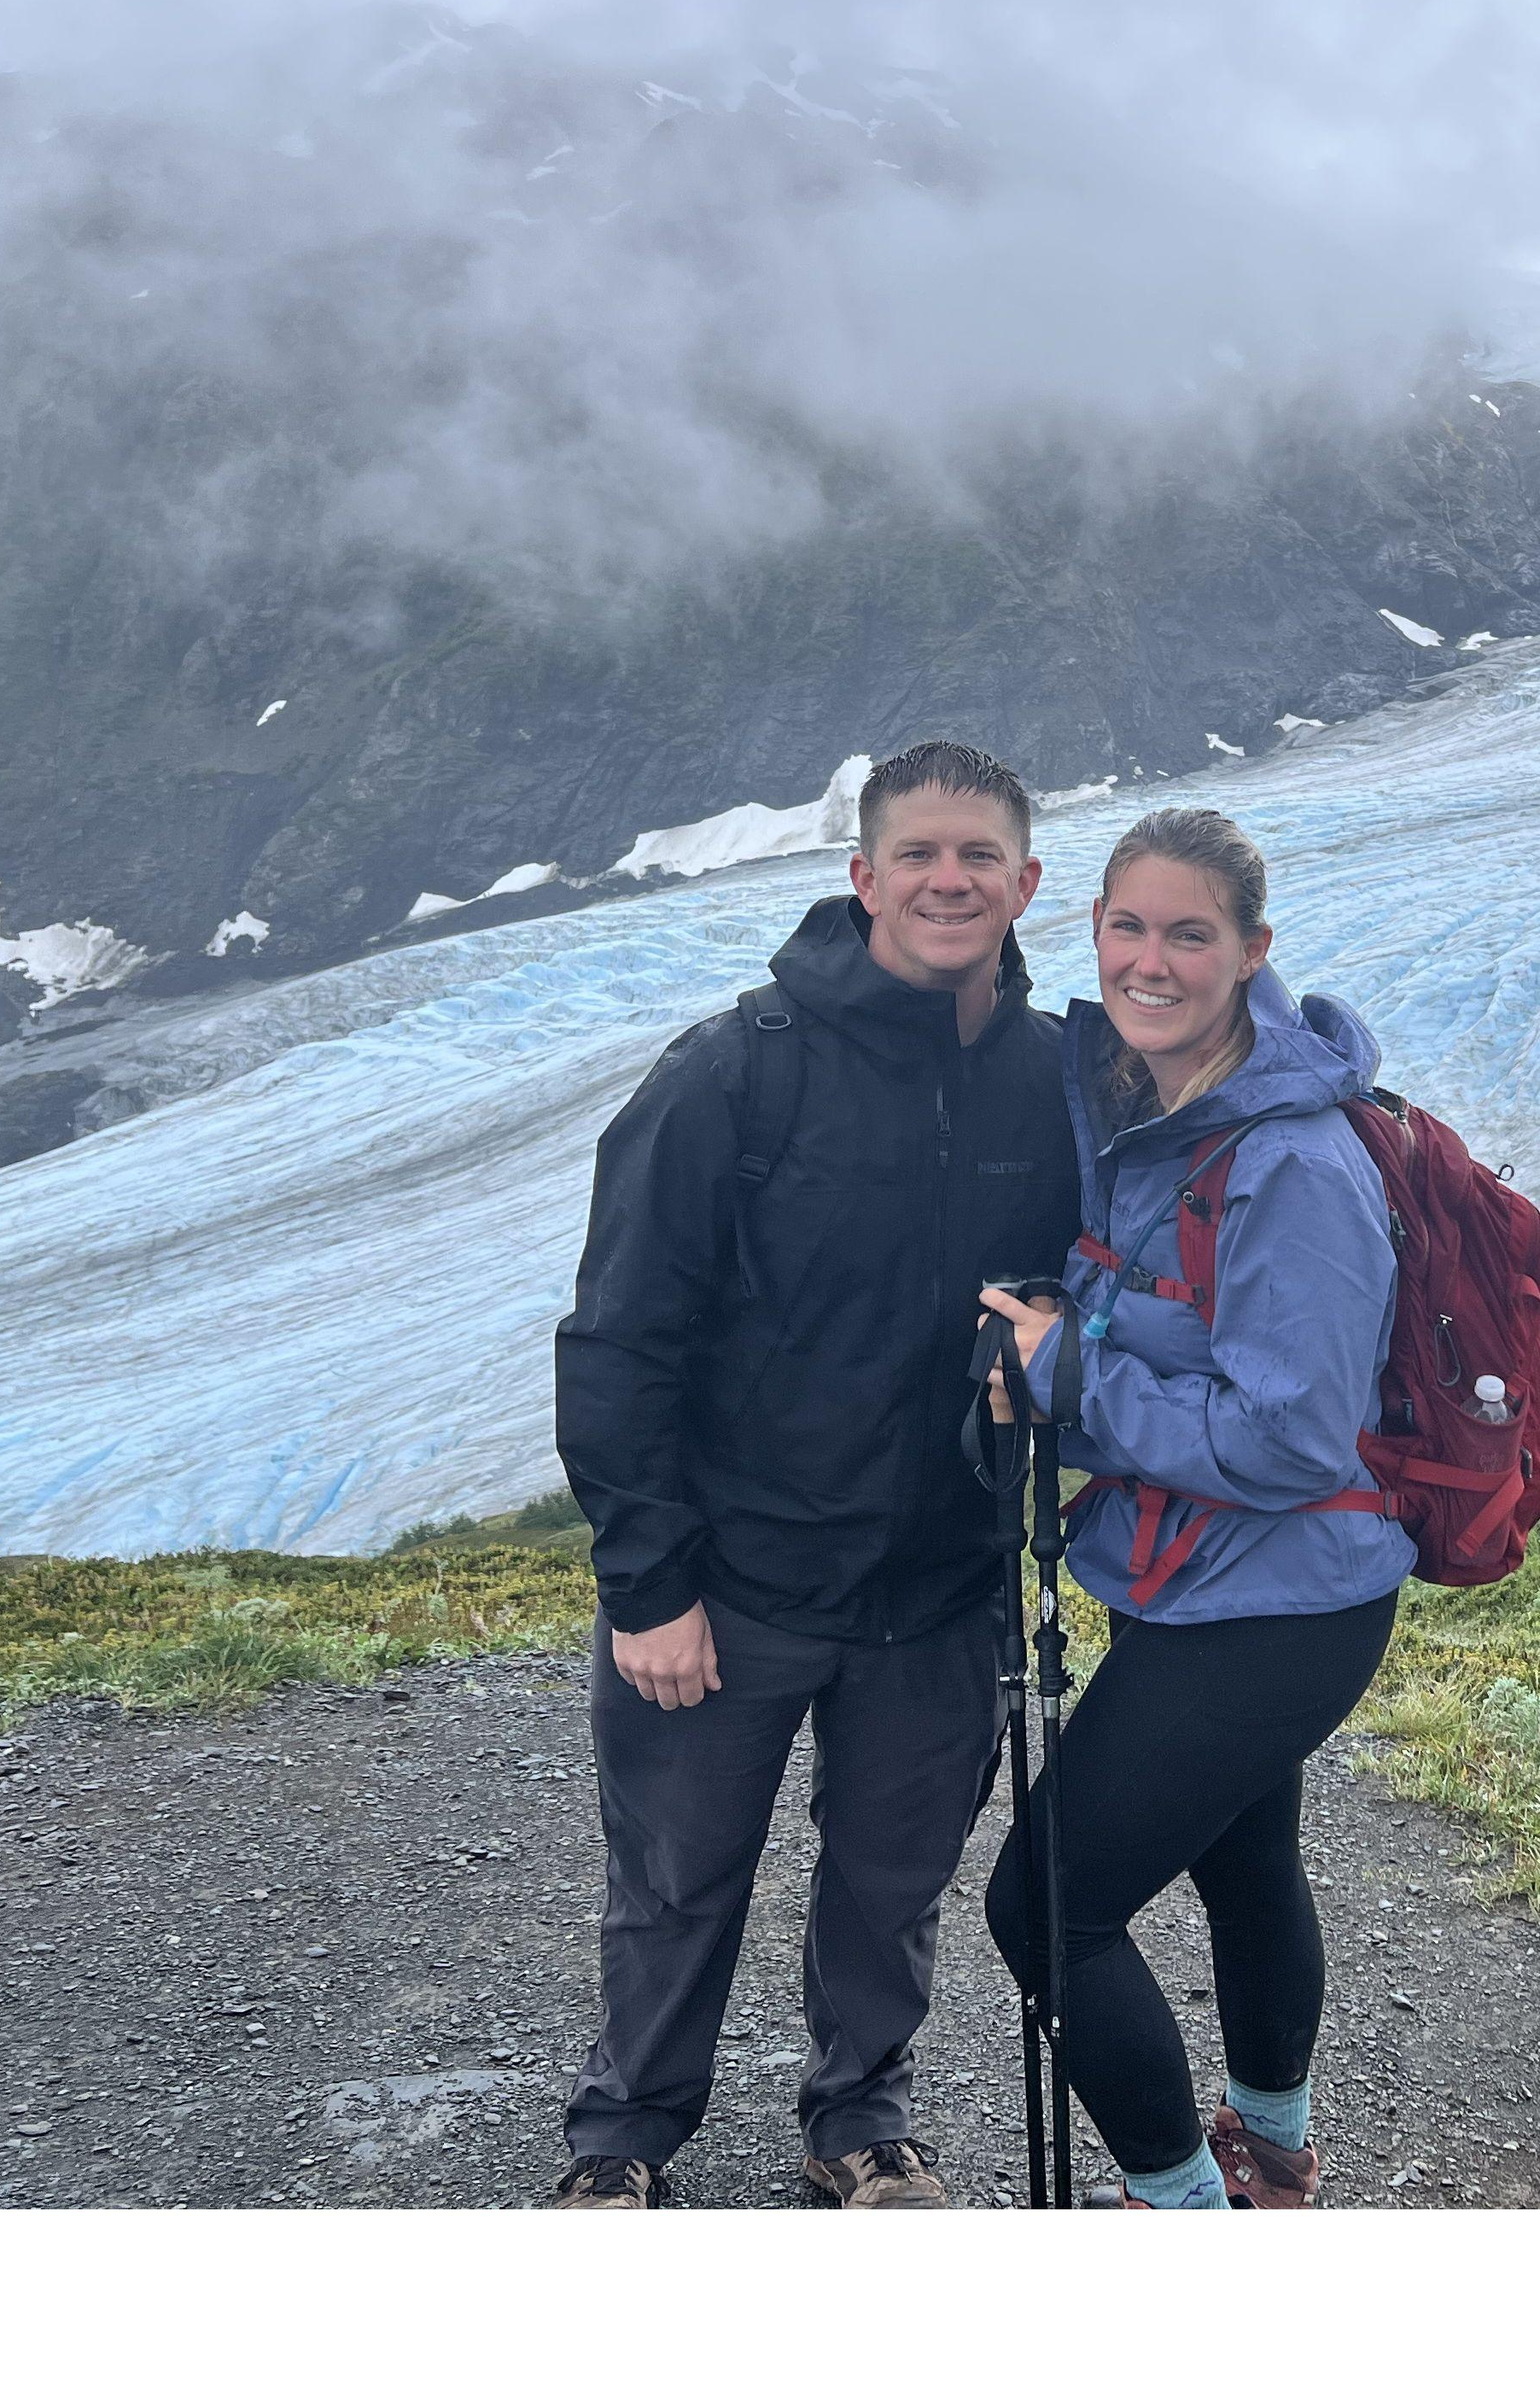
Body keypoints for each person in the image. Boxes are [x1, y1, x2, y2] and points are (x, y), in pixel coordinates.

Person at [549, 738, 1081, 2207]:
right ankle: (625, 2141)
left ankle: (860, 2119)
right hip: (734, 1584)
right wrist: (648, 1584)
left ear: (1027, 882)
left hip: (938, 1586)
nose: (948, 879)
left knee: (890, 1885)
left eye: (979, 856)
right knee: (674, 1882)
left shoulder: (1058, 1083)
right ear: (860, 876)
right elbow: (618, 1339)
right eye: (918, 853)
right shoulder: (735, 1072)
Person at [978, 805, 1409, 2209]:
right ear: (1090, 929)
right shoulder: (1149, 1097)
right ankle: (1273, 2156)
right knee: (1244, 1856)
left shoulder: (1292, 1161)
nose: (1150, 961)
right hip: (1218, 1584)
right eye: (1127, 927)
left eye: (1189, 934)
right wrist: (1072, 1317)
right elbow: (1181, 1315)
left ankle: (1182, 2207)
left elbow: (1293, 1437)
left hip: (1278, 1603)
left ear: (1252, 952)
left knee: (1044, 1910)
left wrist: (1072, 1384)